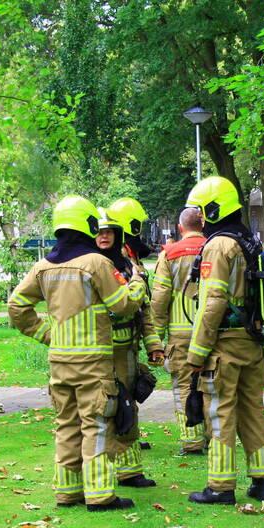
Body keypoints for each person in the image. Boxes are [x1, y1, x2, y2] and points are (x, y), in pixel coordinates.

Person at [8, 195, 148, 512]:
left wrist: (46, 335)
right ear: (87, 224)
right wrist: (137, 284)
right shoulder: (97, 263)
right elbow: (121, 305)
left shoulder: (43, 267)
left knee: (66, 426)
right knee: (96, 425)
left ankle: (67, 492)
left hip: (59, 363)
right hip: (94, 365)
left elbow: (16, 307)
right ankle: (100, 494)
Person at [184, 176, 264, 504]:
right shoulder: (249, 241)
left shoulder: (218, 245)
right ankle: (263, 482)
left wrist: (196, 354)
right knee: (253, 410)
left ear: (213, 208)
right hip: (253, 343)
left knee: (220, 412)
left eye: (202, 210)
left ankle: (220, 488)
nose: (200, 217)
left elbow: (212, 302)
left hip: (224, 346)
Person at [97, 198, 164, 488]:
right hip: (97, 353)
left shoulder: (127, 265)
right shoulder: (90, 266)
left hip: (126, 352)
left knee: (128, 408)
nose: (104, 236)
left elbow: (144, 310)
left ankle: (130, 472)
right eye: (99, 232)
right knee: (102, 410)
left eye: (109, 231)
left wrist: (154, 346)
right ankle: (99, 474)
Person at [150, 207, 207, 456]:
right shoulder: (215, 248)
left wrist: (156, 338)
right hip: (214, 332)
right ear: (202, 226)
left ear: (180, 228)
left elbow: (160, 300)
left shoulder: (169, 255)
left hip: (181, 335)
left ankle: (191, 440)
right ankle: (215, 437)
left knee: (184, 385)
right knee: (213, 386)